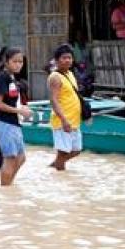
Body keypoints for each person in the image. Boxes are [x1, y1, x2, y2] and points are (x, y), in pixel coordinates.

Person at [0, 47, 33, 186]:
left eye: (20, 62)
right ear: (6, 61)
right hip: (5, 123)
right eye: (15, 61)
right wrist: (19, 111)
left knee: (21, 158)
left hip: (14, 123)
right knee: (10, 158)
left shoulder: (12, 78)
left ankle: (8, 185)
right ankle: (5, 188)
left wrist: (22, 108)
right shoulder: (2, 77)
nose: (18, 64)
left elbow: (14, 101)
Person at [47, 44, 84, 172]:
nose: (68, 60)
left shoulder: (70, 74)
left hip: (74, 121)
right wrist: (63, 120)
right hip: (63, 121)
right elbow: (54, 100)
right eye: (64, 58)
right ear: (57, 60)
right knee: (63, 152)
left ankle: (56, 165)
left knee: (76, 150)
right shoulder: (55, 77)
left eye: (70, 57)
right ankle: (59, 175)